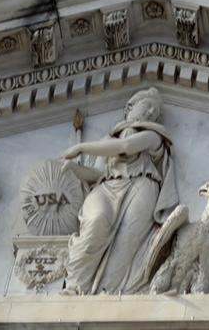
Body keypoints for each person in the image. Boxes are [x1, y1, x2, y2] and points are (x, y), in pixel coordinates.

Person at [60, 88, 178, 294]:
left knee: (126, 244)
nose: (151, 112)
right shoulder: (108, 140)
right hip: (107, 186)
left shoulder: (153, 135)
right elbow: (96, 173)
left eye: (155, 111)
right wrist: (74, 169)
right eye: (147, 105)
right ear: (129, 108)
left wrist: (81, 148)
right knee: (96, 220)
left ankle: (109, 293)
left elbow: (126, 146)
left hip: (140, 187)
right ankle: (75, 287)